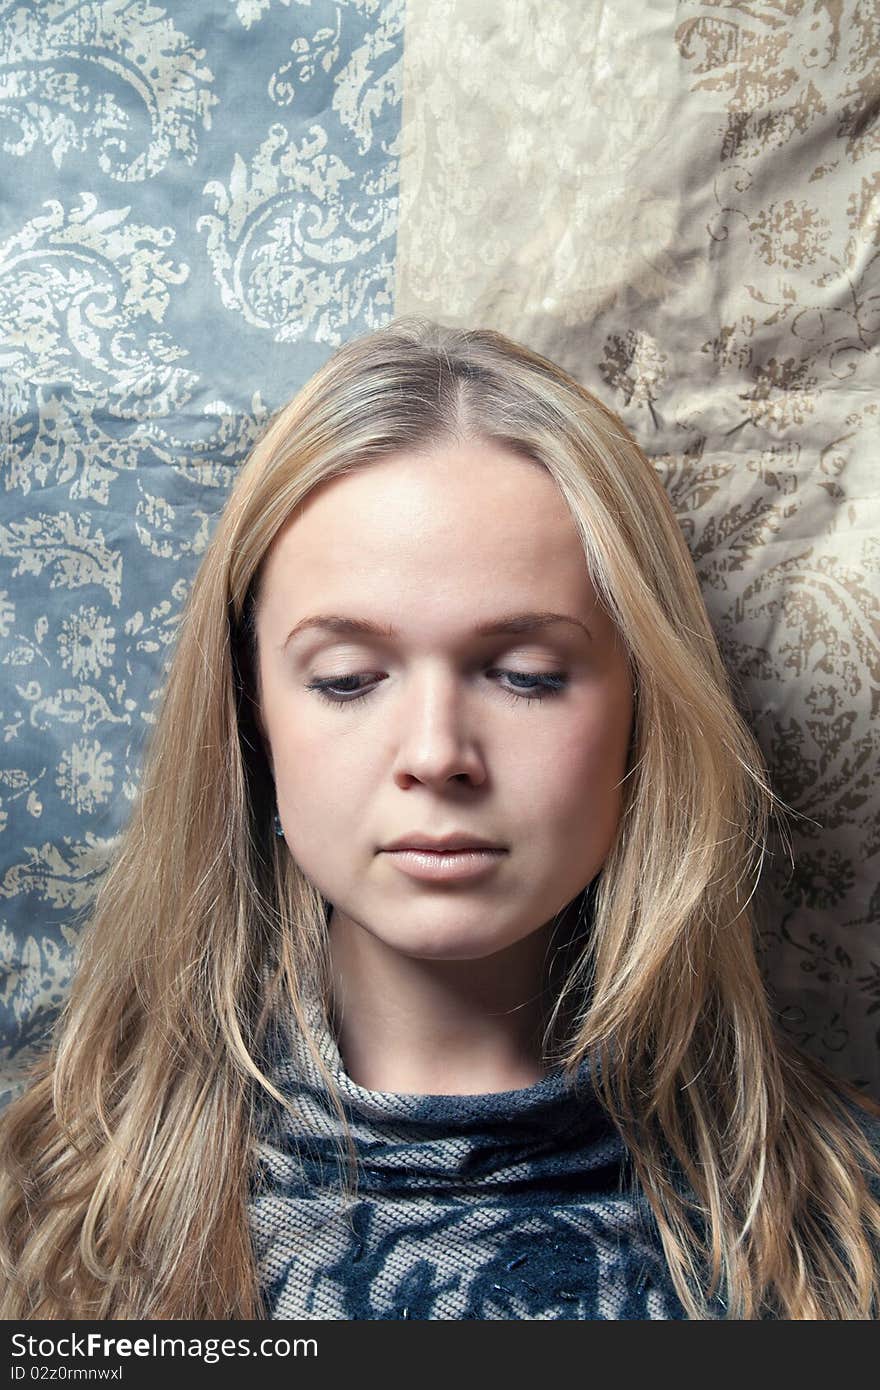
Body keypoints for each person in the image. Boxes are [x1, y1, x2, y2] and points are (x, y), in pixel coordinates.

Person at [1, 318, 879, 1320]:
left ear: (644, 706)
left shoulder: (837, 1236)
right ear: (250, 714)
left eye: (527, 675)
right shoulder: (52, 1229)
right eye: (347, 678)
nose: (434, 752)